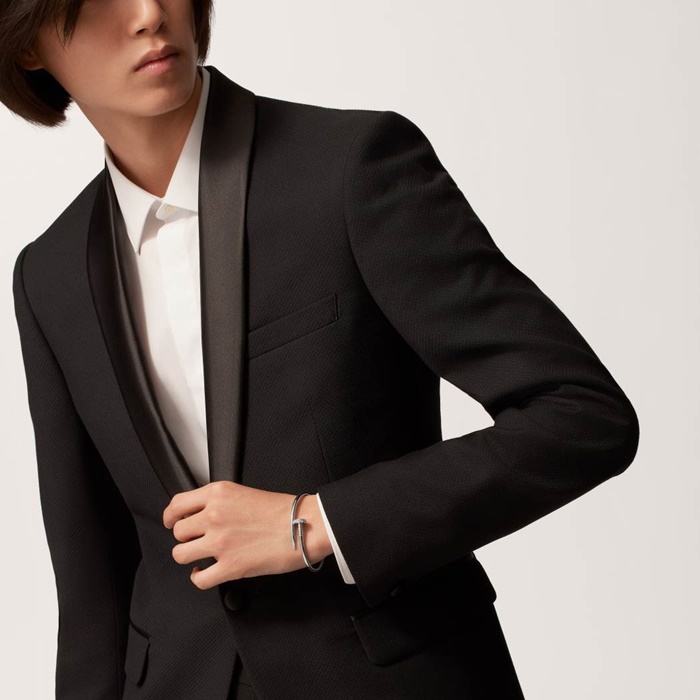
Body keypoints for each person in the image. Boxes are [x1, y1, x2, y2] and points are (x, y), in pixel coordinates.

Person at [3, 1, 640, 698]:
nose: (150, 13)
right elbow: (92, 591)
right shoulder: (49, 276)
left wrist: (315, 523)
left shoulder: (351, 166)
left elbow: (581, 416)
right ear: (26, 44)